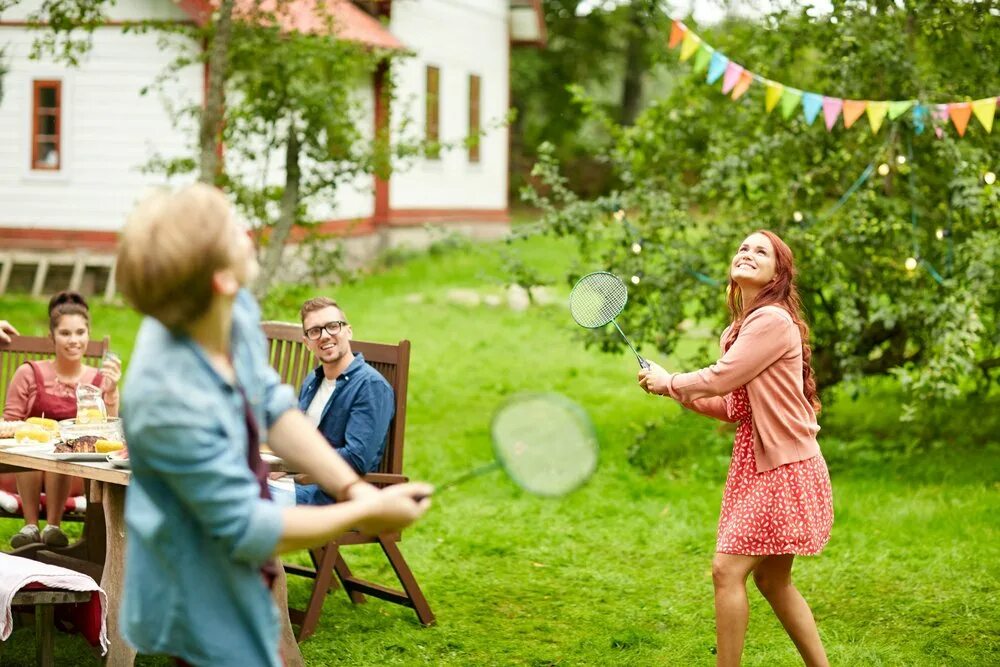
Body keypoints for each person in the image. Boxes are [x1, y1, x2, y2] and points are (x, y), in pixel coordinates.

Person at [115, 183, 431, 666]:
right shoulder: (165, 399)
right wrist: (360, 515)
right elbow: (248, 529)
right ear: (219, 277)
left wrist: (353, 488)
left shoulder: (229, 307)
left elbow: (272, 405)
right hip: (191, 587)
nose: (247, 233)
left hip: (243, 565)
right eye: (233, 230)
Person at [638, 230, 833, 667]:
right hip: (770, 462)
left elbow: (721, 377)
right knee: (773, 580)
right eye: (743, 248)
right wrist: (670, 389)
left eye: (760, 251)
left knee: (727, 571)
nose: (747, 253)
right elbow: (733, 404)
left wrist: (672, 381)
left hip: (784, 467)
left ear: (778, 274)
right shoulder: (741, 328)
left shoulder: (772, 322)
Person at [3, 292, 121, 548]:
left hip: (74, 474)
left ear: (88, 335)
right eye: (66, 333)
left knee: (61, 452)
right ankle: (31, 526)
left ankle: (53, 528)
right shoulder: (29, 373)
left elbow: (109, 434)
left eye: (80, 332)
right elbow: (9, 421)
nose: (74, 340)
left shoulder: (99, 381)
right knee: (36, 451)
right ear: (52, 337)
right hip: (23, 471)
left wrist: (111, 393)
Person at [292, 297, 394, 506]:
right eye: (315, 331)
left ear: (348, 330)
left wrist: (302, 462)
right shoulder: (313, 380)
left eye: (332, 326)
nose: (324, 336)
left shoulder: (370, 386)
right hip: (299, 483)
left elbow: (357, 459)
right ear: (307, 342)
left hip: (336, 496)